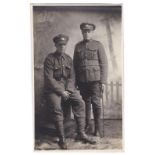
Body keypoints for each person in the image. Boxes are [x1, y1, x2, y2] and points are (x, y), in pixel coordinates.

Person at [44, 34, 96, 149]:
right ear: (56, 45)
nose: (62, 47)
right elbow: (49, 79)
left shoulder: (68, 59)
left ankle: (81, 133)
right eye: (60, 45)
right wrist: (61, 91)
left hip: (68, 88)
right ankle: (62, 138)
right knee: (57, 107)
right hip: (53, 89)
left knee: (80, 102)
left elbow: (72, 77)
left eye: (64, 45)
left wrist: (68, 90)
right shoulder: (49, 59)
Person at [73, 23, 108, 138]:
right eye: (84, 32)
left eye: (88, 31)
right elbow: (75, 65)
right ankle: (87, 126)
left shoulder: (98, 45)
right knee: (85, 104)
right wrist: (76, 82)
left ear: (92, 32)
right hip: (82, 81)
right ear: (82, 33)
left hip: (95, 80)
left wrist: (102, 81)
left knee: (96, 104)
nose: (86, 33)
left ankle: (97, 129)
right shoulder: (78, 46)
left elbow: (104, 64)